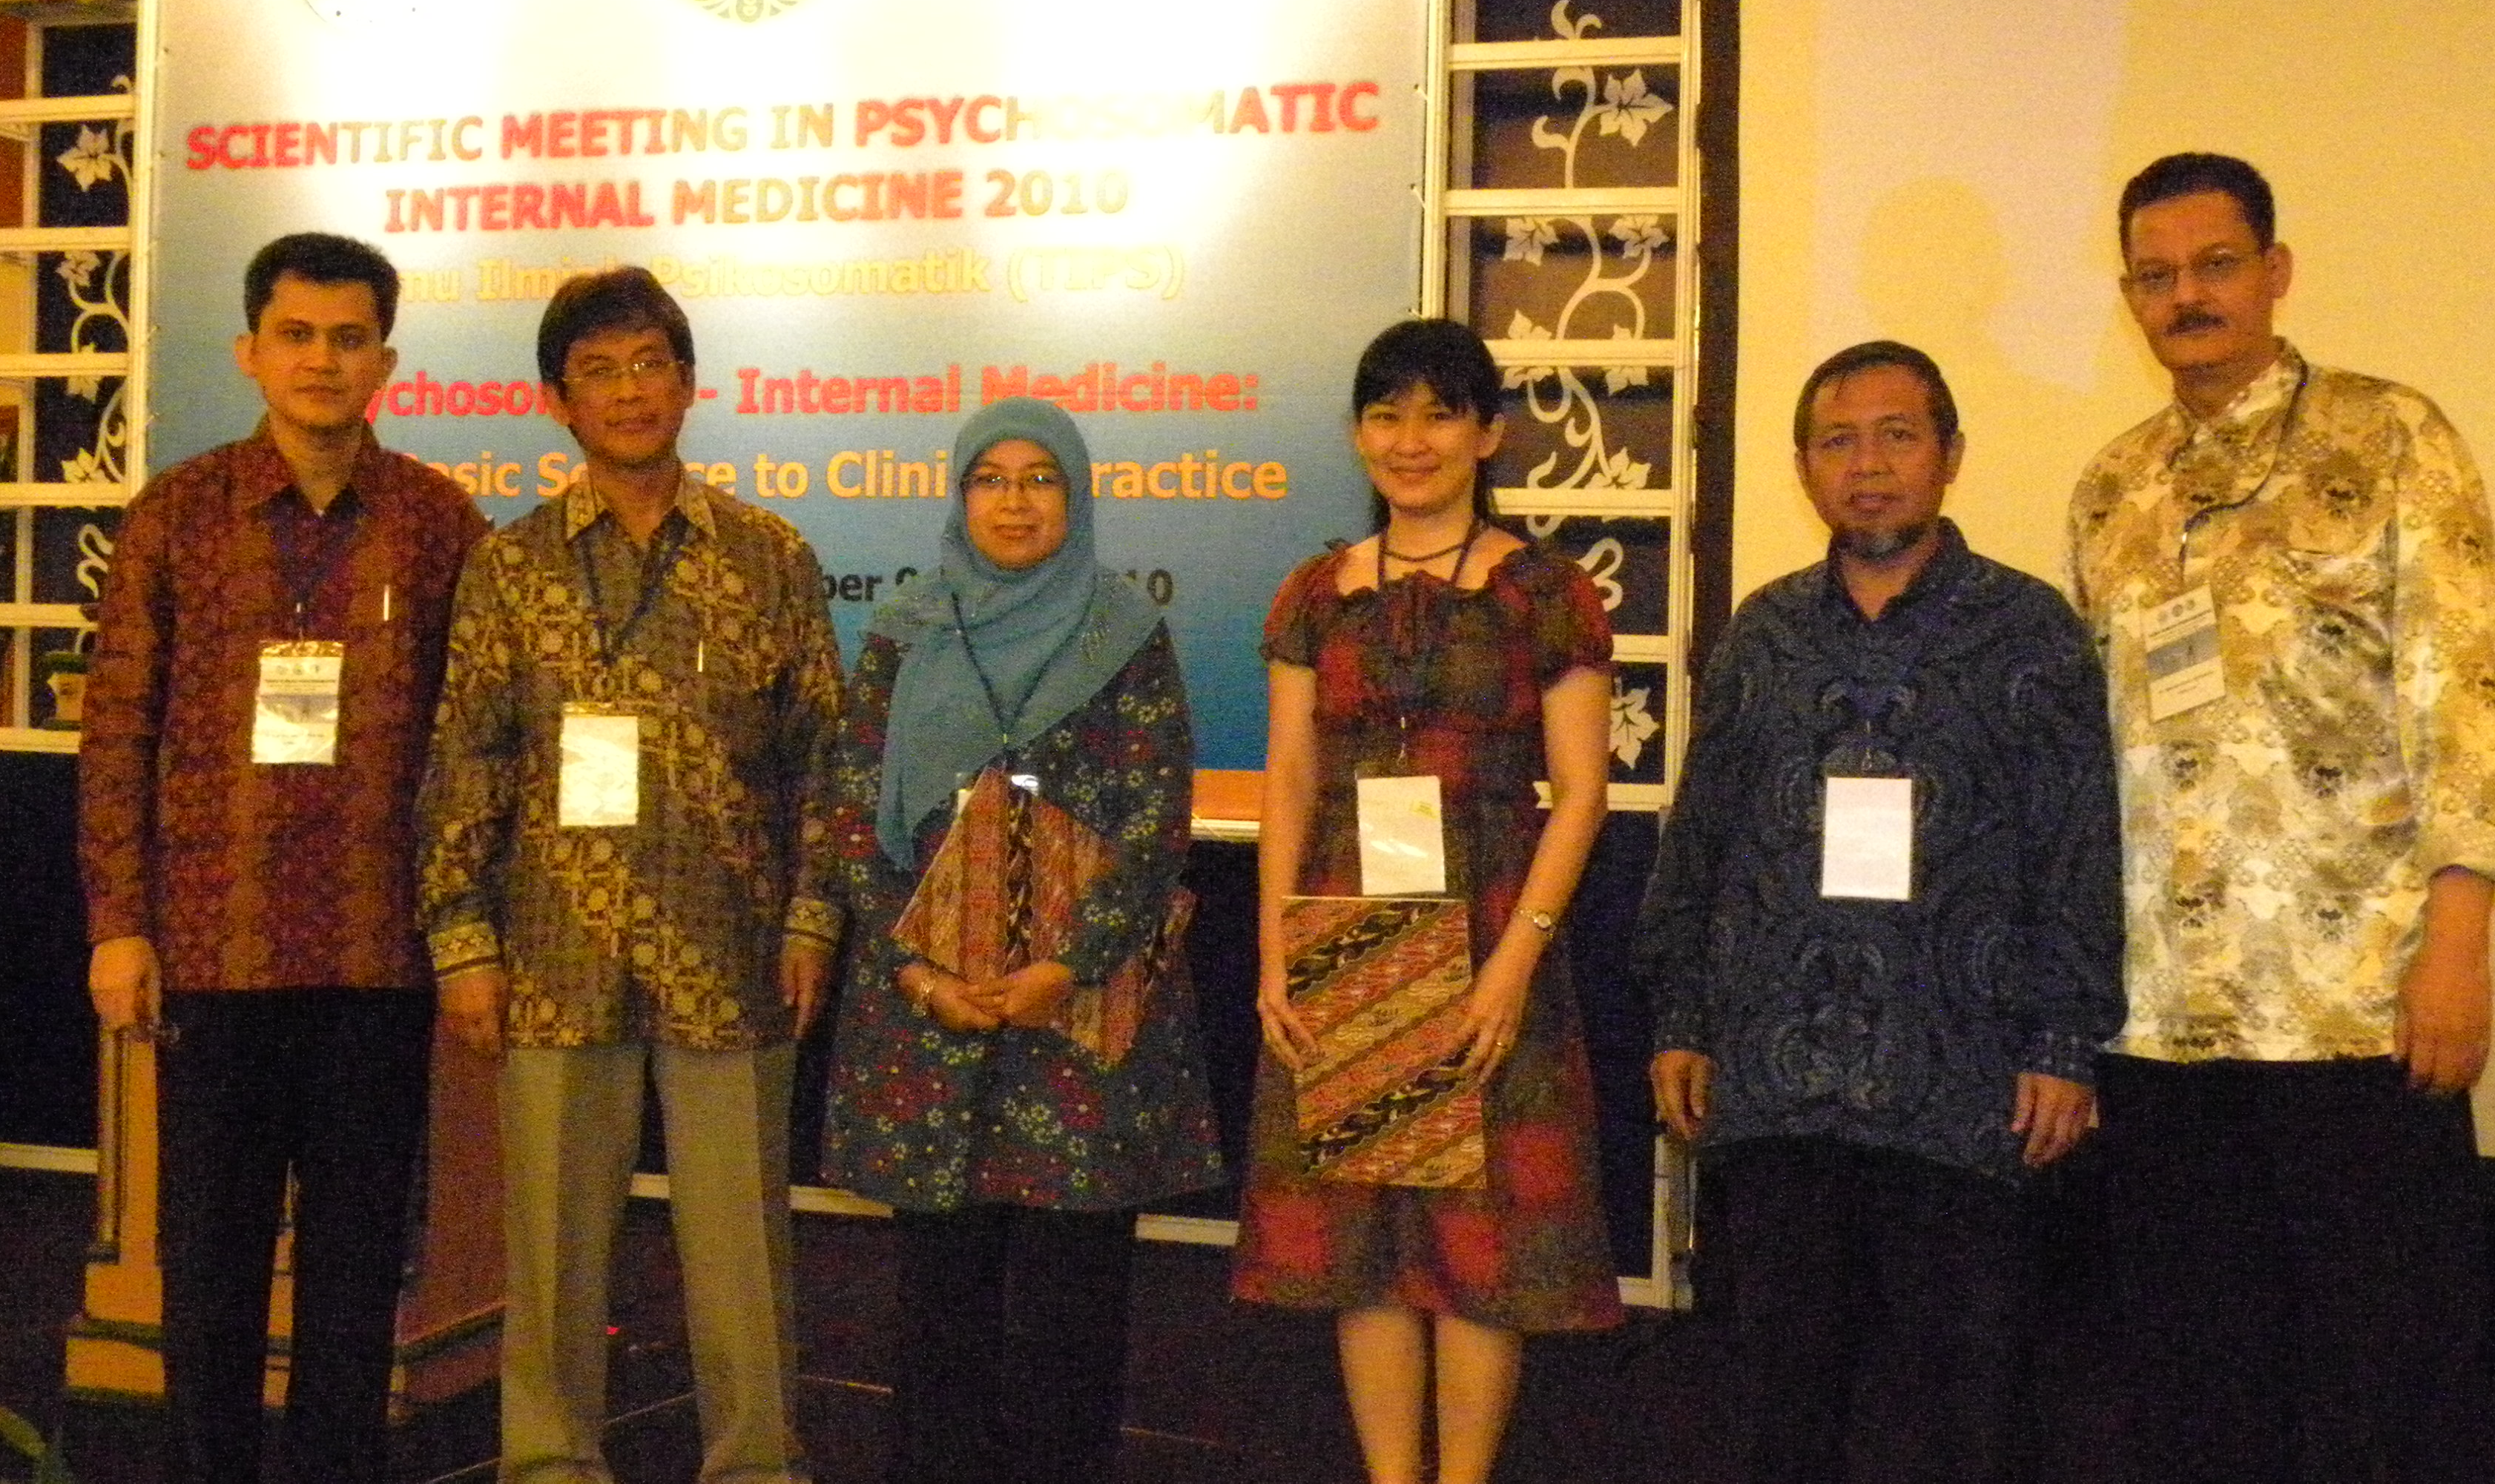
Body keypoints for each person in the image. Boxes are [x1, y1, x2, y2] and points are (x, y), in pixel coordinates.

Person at [2068, 154, 2495, 1483]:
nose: (2187, 296)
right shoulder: (2113, 489)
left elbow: (2468, 693)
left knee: (2381, 1372)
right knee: (2196, 1373)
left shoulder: (2391, 435)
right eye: (2156, 275)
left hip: (2357, 997)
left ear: (2276, 271)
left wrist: (2458, 943)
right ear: (2130, 294)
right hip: (2161, 1012)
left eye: (2216, 265)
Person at [1632, 340, 2124, 1483]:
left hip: (1964, 1091)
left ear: (1950, 455)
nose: (1868, 466)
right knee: (1781, 1414)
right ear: (1805, 467)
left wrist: (2064, 1041)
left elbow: (2079, 849)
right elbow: (1702, 836)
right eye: (1837, 442)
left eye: (1898, 436)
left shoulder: (2028, 631)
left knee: (1964, 1422)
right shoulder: (1763, 633)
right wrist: (1681, 1016)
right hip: (1778, 1088)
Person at [415, 266, 841, 1484]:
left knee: (742, 1250)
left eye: (649, 363)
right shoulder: (511, 567)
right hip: (555, 953)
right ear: (558, 401)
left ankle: (754, 1465)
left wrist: (812, 919)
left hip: (730, 948)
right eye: (597, 371)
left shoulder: (768, 557)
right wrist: (463, 942)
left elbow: (824, 758)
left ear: (689, 383)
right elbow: (467, 760)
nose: (629, 391)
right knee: (551, 1253)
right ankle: (551, 1465)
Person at [79, 231, 490, 1484]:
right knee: (208, 1271)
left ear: (387, 362)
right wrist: (118, 923)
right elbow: (118, 728)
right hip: (217, 946)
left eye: (348, 338)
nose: (322, 361)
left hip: (379, 954)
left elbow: (478, 744)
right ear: (250, 351)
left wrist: (467, 932)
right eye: (297, 336)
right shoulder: (178, 514)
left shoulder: (437, 522)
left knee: (358, 1280)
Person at [1231, 317, 1623, 1484]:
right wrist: (1276, 950)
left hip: (1494, 927)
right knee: (1366, 1248)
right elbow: (1290, 778)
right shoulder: (1316, 593)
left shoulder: (1543, 591)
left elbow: (1584, 792)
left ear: (1487, 433)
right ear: (1358, 434)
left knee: (1481, 1252)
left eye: (1440, 414)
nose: (1411, 441)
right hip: (1345, 926)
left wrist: (1515, 963)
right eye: (1386, 414)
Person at [817, 398, 1224, 1484]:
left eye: (1040, 478)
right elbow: (853, 807)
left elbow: (1155, 819)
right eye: (990, 479)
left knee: (1070, 1302)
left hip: (1076, 1020)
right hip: (932, 1016)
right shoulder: (904, 631)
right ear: (959, 497)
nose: (1015, 501)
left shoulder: (1125, 631)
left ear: (1075, 496)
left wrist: (1066, 966)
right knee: (938, 1298)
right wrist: (914, 968)